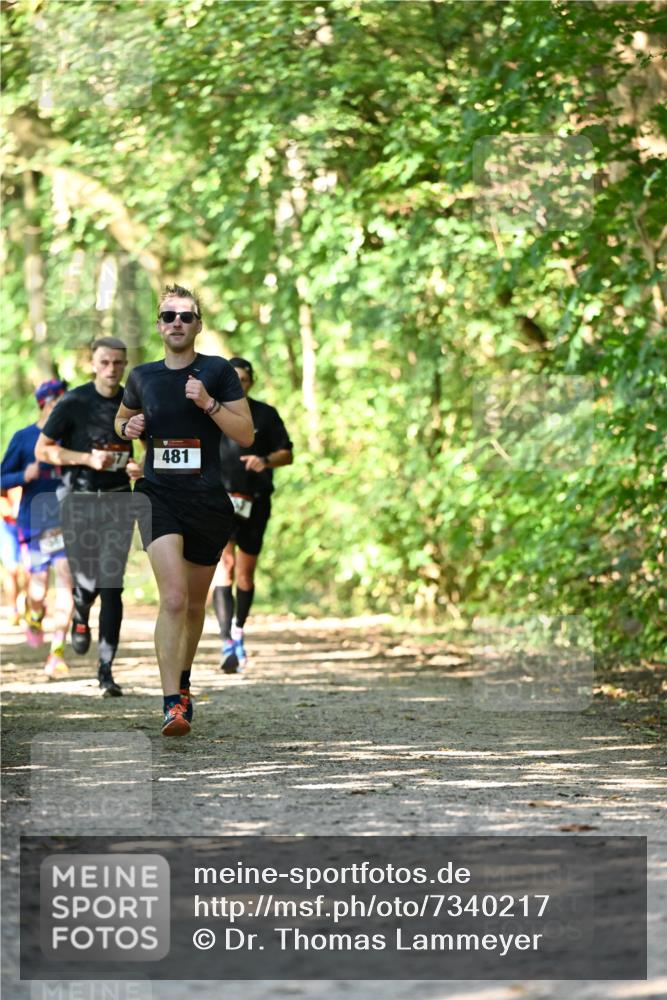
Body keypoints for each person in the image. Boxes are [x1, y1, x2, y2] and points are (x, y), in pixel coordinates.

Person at [114, 284, 254, 737]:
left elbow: (246, 434)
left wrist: (209, 403)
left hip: (207, 501)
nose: (177, 322)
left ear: (198, 325)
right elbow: (121, 420)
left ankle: (184, 681)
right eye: (169, 315)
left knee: (194, 605)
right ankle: (170, 701)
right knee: (173, 598)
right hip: (157, 495)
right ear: (158, 325)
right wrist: (128, 426)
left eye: (186, 316)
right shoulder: (142, 377)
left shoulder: (217, 371)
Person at [35, 339, 143, 696]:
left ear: (125, 365)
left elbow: (149, 448)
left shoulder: (133, 402)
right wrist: (86, 459)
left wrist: (140, 467)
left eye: (118, 362)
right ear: (93, 364)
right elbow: (43, 450)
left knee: (112, 585)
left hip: (118, 501)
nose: (112, 369)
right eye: (105, 362)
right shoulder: (74, 402)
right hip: (78, 502)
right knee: (86, 584)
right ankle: (80, 613)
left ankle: (106, 670)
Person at [211, 357, 293, 673]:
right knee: (224, 567)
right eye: (232, 379)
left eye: (243, 379)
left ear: (251, 382)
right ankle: (226, 643)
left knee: (245, 573)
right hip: (219, 501)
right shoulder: (210, 412)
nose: (238, 384)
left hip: (254, 500)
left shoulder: (265, 414)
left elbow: (287, 453)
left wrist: (266, 461)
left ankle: (238, 630)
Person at [0, 379, 73, 676]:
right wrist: (23, 476)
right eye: (59, 402)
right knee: (39, 590)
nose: (64, 407)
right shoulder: (24, 437)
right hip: (34, 522)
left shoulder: (72, 438)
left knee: (67, 582)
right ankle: (35, 614)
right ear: (45, 404)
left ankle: (57, 652)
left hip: (67, 522)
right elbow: (2, 479)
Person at [0, 487, 25, 626]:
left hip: (28, 525)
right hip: (8, 526)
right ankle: (13, 609)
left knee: (30, 571)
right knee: (12, 570)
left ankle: (30, 604)